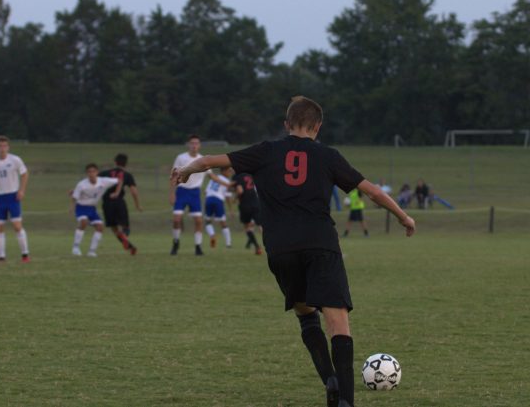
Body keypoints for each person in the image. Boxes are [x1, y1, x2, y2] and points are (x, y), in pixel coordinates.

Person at [171, 96, 415, 407]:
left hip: (280, 248)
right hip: (320, 244)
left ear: (287, 125)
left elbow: (206, 162)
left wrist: (186, 171)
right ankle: (346, 402)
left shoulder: (265, 151)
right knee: (337, 321)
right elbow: (374, 192)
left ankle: (329, 378)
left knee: (304, 312)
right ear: (318, 126)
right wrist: (403, 217)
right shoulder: (328, 156)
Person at [170, 135, 228, 256]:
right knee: (176, 220)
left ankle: (198, 246)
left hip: (195, 193)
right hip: (181, 191)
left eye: (196, 143)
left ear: (199, 145)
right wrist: (172, 193)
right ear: (188, 144)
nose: (194, 145)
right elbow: (174, 175)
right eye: (192, 143)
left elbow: (212, 176)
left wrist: (228, 184)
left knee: (198, 221)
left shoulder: (202, 159)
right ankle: (175, 242)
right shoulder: (181, 157)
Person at [0, 135, 31, 263]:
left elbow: (25, 174)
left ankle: (25, 255)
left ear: (8, 147)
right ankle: (1, 257)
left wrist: (22, 190)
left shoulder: (15, 160)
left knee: (17, 226)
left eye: (4, 146)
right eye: (0, 146)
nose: (2, 148)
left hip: (13, 196)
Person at [70, 164, 122, 257]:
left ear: (97, 172)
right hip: (81, 207)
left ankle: (91, 251)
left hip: (92, 208)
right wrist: (71, 208)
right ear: (87, 173)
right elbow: (74, 197)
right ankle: (76, 247)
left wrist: (117, 192)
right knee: (83, 222)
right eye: (89, 172)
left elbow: (120, 180)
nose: (91, 173)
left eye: (93, 171)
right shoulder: (82, 184)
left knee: (100, 227)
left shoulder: (104, 181)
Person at [99, 153, 140, 255]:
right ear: (125, 164)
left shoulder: (104, 173)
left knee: (114, 227)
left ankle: (128, 245)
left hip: (107, 203)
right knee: (125, 225)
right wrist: (137, 205)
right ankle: (125, 235)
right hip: (119, 202)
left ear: (115, 162)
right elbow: (134, 191)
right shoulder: (127, 175)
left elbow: (94, 183)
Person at [232, 171, 263, 255]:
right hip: (256, 203)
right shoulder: (249, 174)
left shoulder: (236, 176)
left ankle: (257, 247)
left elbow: (240, 191)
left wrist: (234, 198)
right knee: (261, 225)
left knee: (247, 226)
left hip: (245, 204)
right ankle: (270, 244)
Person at [204, 167, 234, 249]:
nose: (231, 173)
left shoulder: (214, 178)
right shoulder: (227, 182)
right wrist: (231, 210)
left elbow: (206, 191)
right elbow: (228, 197)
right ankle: (228, 244)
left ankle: (212, 235)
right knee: (223, 223)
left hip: (209, 199)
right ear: (223, 171)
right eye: (229, 171)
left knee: (207, 221)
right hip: (218, 200)